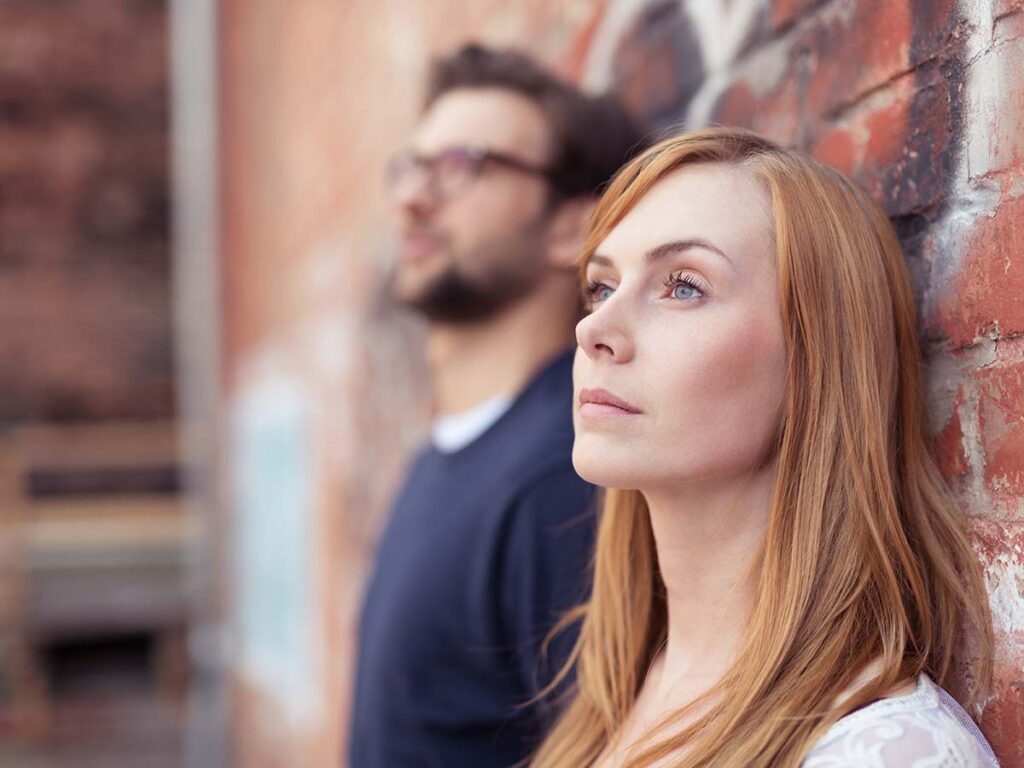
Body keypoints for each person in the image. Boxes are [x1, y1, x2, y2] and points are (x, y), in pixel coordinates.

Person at [530, 127, 999, 767]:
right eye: (602, 287)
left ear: (815, 356)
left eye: (684, 286)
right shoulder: (616, 698)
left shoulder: (887, 753)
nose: (594, 329)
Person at [349, 45, 643, 767]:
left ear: (570, 228)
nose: (412, 199)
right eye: (412, 167)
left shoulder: (568, 473)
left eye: (465, 165)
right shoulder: (444, 456)